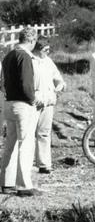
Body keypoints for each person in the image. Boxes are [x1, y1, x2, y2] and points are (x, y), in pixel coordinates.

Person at [0, 27, 41, 196]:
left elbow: (1, 81)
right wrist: (33, 98)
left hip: (9, 103)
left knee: (10, 144)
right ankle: (24, 185)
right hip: (23, 104)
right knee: (26, 144)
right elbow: (26, 84)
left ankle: (6, 182)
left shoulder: (8, 55)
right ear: (31, 40)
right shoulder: (24, 56)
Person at [32, 37, 65, 174]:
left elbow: (57, 77)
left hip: (48, 102)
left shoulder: (48, 61)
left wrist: (60, 85)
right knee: (30, 134)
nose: (47, 52)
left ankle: (44, 164)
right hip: (34, 101)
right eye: (45, 49)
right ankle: (29, 163)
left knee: (44, 133)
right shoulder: (30, 60)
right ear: (39, 48)